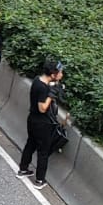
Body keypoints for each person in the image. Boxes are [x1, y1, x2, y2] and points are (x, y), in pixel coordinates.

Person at [16, 60, 66, 189]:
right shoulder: (44, 88)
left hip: (32, 120)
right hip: (43, 124)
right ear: (53, 74)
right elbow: (42, 108)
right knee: (43, 152)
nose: (62, 74)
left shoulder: (38, 80)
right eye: (60, 72)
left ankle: (23, 169)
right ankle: (39, 180)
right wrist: (51, 94)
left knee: (31, 143)